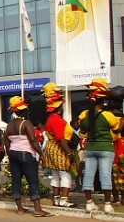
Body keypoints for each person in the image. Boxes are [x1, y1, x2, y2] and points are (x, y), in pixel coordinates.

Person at [78, 78, 123, 213]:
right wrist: (121, 121)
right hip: (106, 149)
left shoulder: (86, 115)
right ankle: (108, 205)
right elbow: (115, 129)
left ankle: (89, 202)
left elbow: (82, 132)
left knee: (89, 175)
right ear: (102, 100)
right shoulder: (108, 115)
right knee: (105, 175)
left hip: (90, 149)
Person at [3, 96, 52, 217]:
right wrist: (41, 154)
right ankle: (37, 209)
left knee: (16, 181)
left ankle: (20, 209)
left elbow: (6, 144)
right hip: (26, 154)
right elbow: (33, 140)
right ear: (23, 110)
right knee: (33, 181)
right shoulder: (26, 123)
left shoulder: (8, 126)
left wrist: (11, 156)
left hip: (13, 154)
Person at [41, 83, 78, 208]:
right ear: (59, 109)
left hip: (51, 148)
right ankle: (64, 199)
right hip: (59, 148)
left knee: (56, 174)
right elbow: (61, 139)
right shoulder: (57, 120)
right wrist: (70, 152)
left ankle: (56, 199)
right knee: (65, 174)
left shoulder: (50, 119)